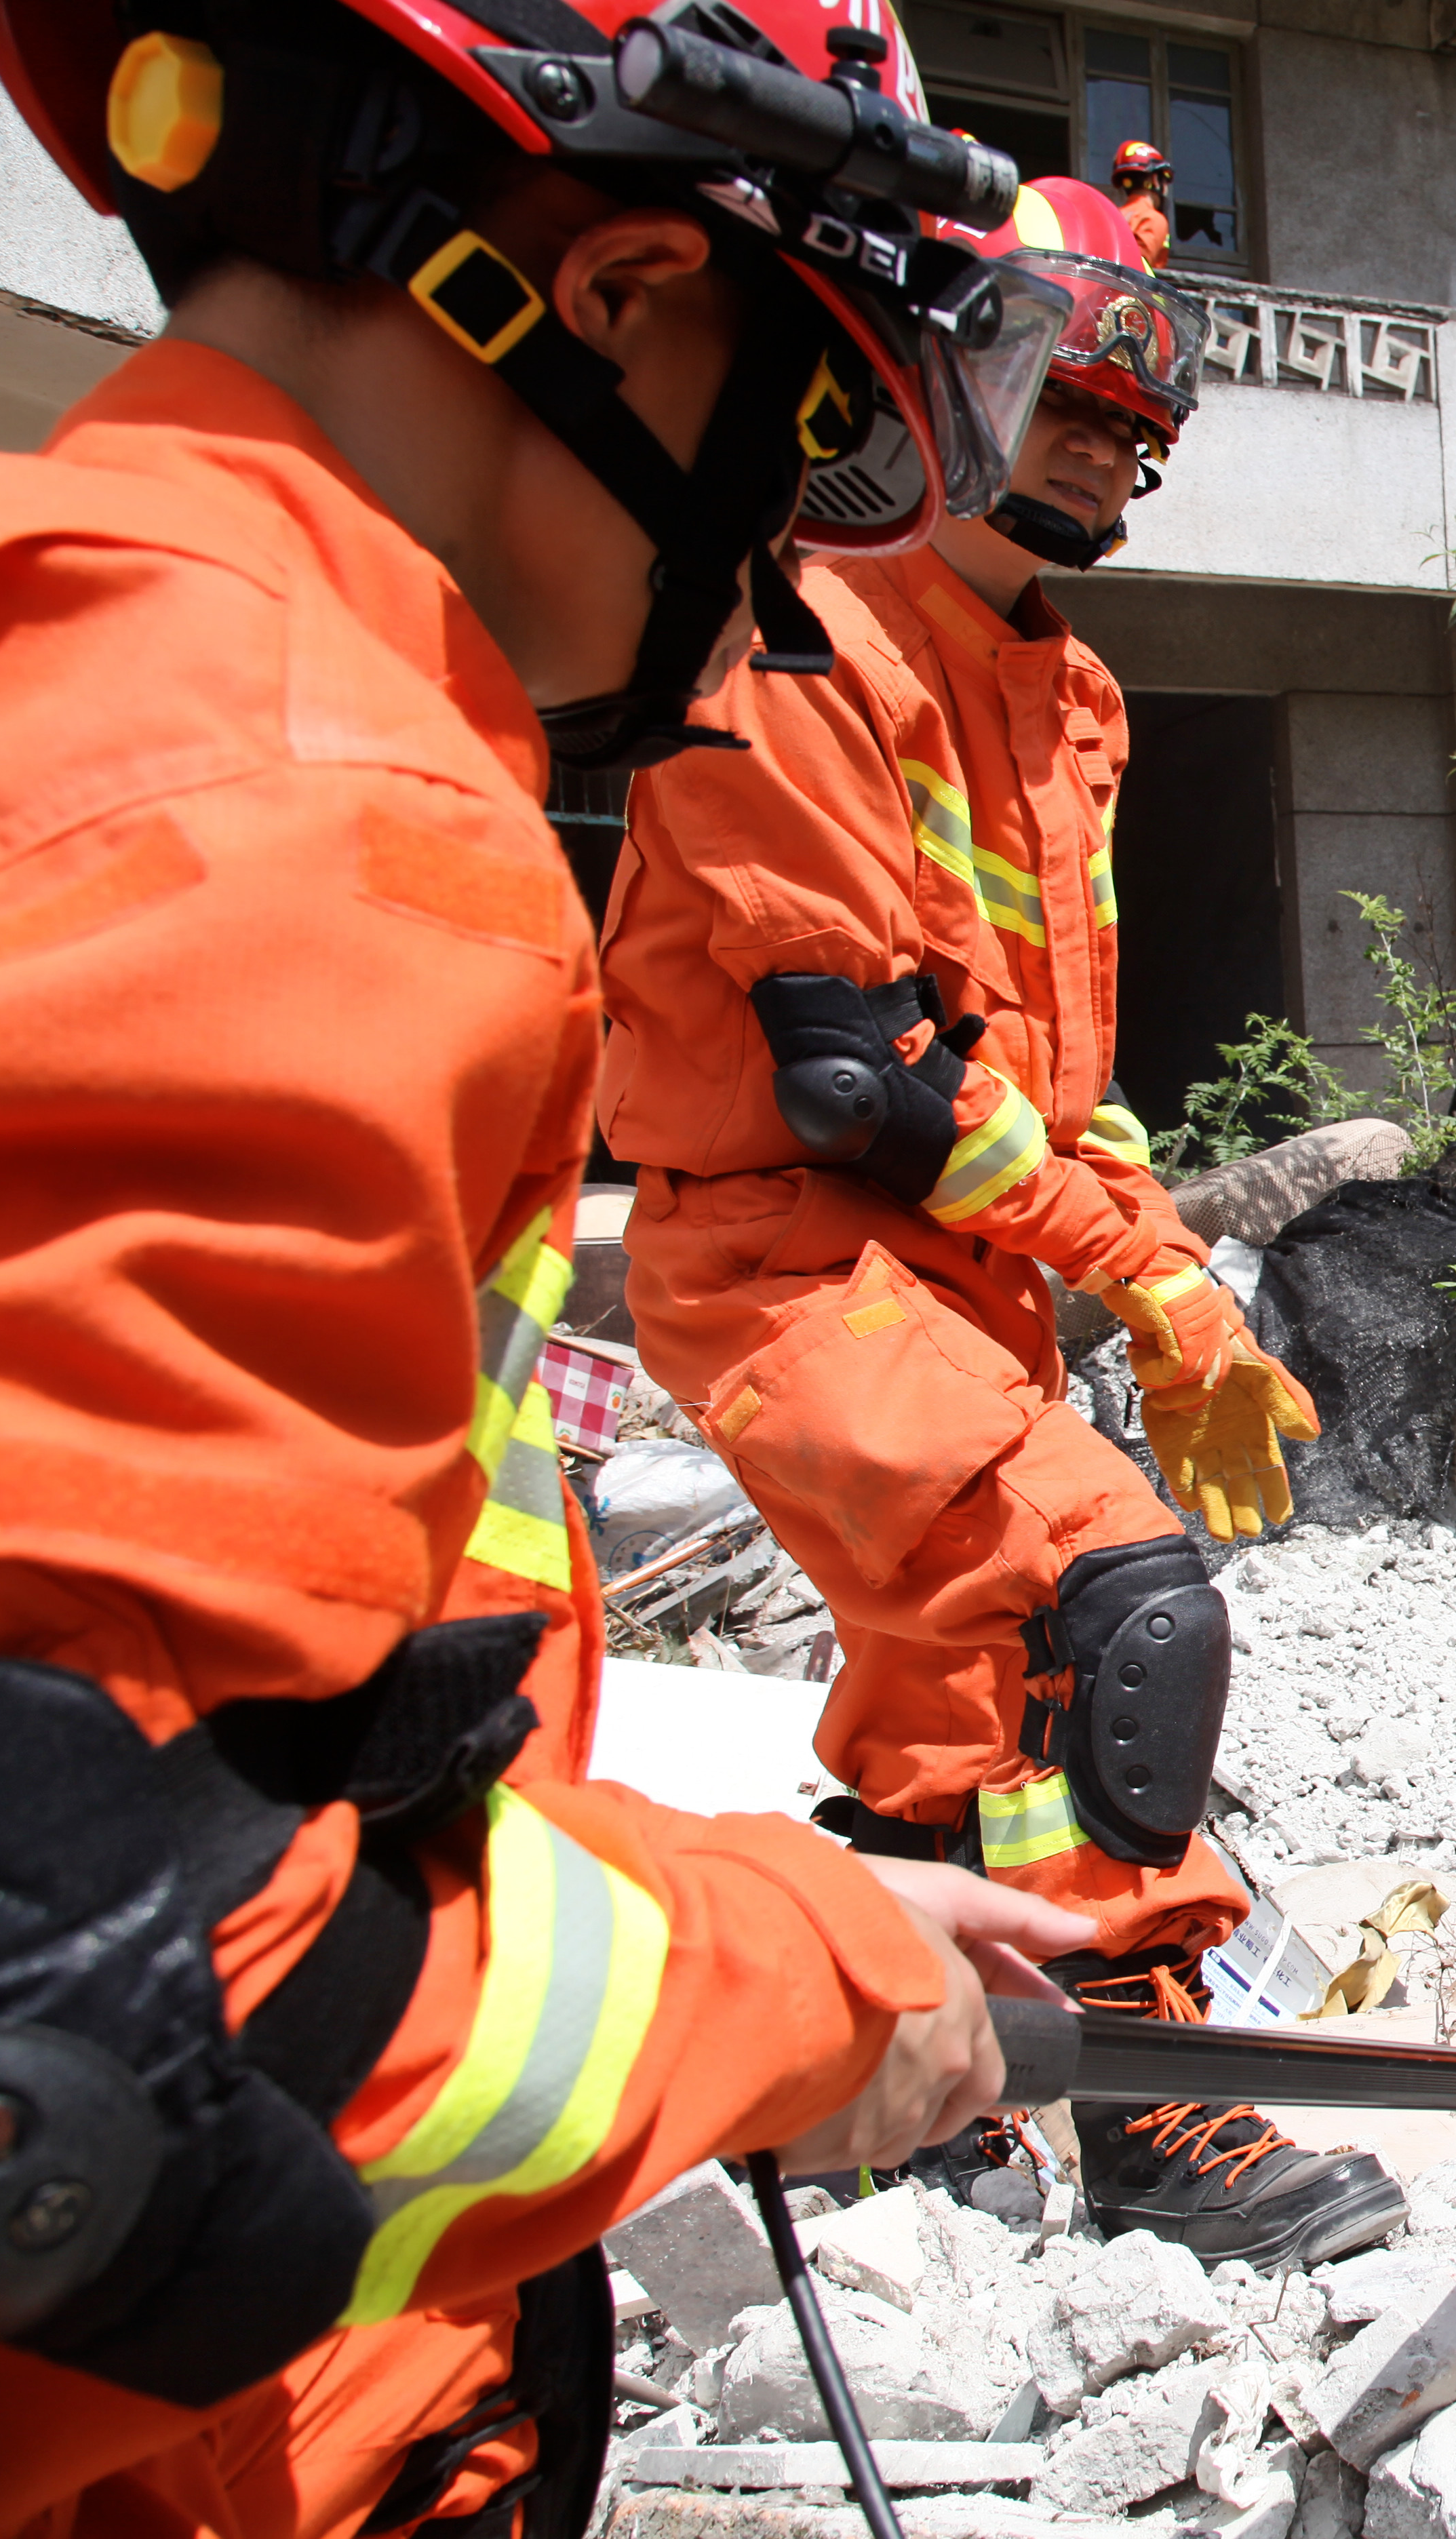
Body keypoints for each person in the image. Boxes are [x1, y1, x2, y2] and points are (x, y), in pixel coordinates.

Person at [0, 3, 1097, 2530]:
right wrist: (788, 1993)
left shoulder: (104, 683)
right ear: (611, 303)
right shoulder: (292, 821)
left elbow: (201, 1779)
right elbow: (101, 2042)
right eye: (803, 427)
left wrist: (744, 1897)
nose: (765, 591)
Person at [596, 175, 1402, 2271]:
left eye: (1146, 430)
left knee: (963, 1681)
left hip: (961, 1259)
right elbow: (861, 1082)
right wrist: (1126, 1259)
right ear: (958, 367)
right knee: (1111, 1594)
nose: (1113, 454)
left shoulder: (1078, 702)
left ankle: (874, 2079)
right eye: (1080, 399)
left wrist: (1166, 1270)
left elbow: (1059, 1078)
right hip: (790, 1247)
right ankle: (1148, 2096)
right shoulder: (785, 631)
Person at [1109, 137, 1174, 271]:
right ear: (1155, 180)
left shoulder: (1111, 216)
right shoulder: (1154, 219)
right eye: (1166, 178)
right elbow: (1138, 270)